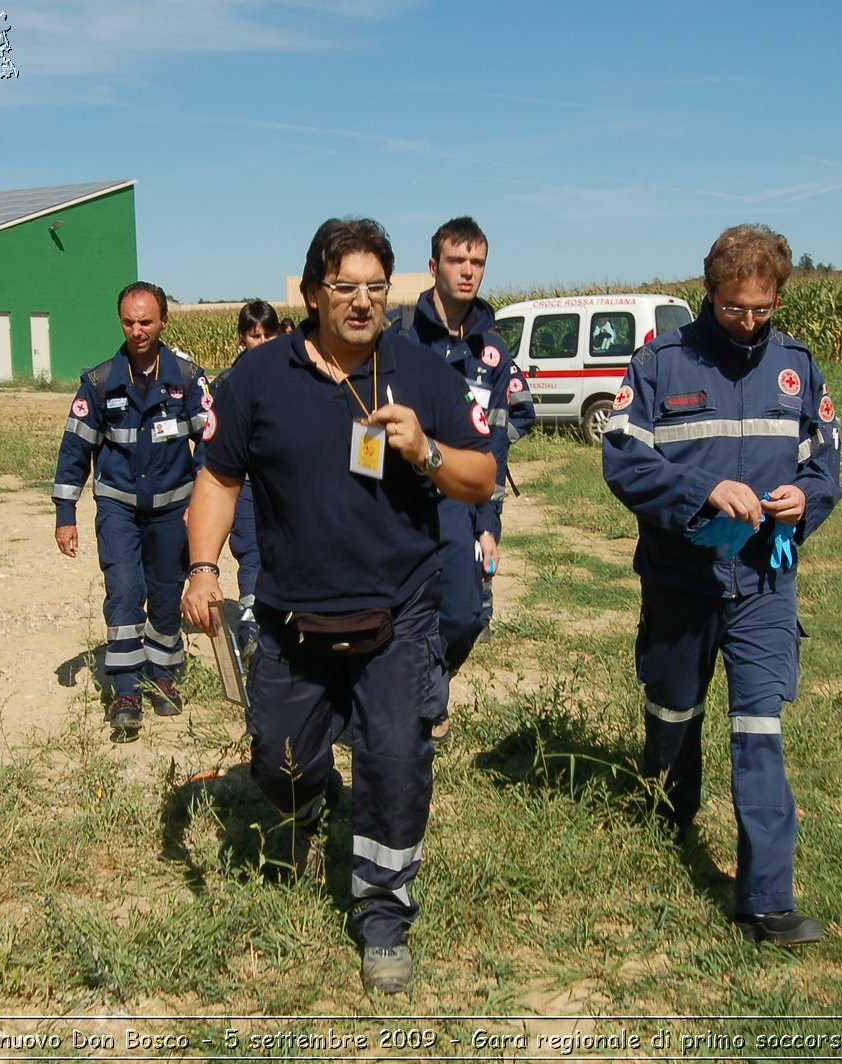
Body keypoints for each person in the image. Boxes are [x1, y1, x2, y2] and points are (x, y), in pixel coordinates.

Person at [181, 218, 496, 995]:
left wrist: (424, 448)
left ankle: (383, 911)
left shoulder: (422, 374)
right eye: (345, 287)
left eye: (376, 287)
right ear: (314, 291)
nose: (362, 302)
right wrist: (200, 567)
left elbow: (480, 477)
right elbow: (219, 479)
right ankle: (311, 795)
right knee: (281, 768)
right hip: (292, 618)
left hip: (401, 611)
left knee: (394, 758)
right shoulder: (256, 380)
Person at [602, 224, 841, 945]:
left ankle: (765, 901)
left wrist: (806, 502)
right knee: (675, 709)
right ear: (710, 293)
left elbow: (824, 467)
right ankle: (668, 810)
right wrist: (706, 492)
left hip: (766, 579)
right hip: (682, 578)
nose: (748, 323)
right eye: (736, 308)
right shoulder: (659, 364)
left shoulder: (798, 368)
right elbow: (623, 462)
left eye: (762, 310)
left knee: (760, 730)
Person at [384, 217, 535, 711]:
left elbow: (498, 439)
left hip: (457, 496)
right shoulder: (398, 336)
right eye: (456, 260)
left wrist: (488, 519)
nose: (467, 271)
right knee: (392, 608)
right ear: (433, 266)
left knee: (466, 615)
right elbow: (369, 418)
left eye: (477, 262)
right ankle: (412, 702)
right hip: (396, 498)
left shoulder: (492, 349)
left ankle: (428, 679)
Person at [54, 282, 211, 742]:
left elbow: (213, 444)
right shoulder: (101, 382)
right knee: (123, 593)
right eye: (129, 321)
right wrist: (65, 513)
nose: (137, 330)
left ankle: (162, 678)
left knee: (165, 596)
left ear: (163, 321)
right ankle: (125, 692)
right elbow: (74, 450)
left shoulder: (186, 379)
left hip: (172, 515)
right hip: (118, 511)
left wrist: (200, 502)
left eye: (146, 321)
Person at [220, 300, 281, 659]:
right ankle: (250, 627)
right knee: (251, 554)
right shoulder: (229, 384)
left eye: (267, 334)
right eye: (253, 335)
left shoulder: (294, 380)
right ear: (243, 337)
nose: (260, 341)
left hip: (281, 484)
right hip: (243, 485)